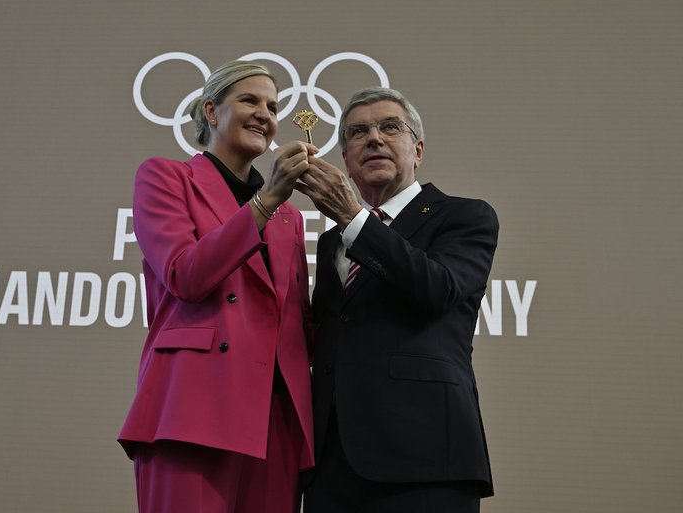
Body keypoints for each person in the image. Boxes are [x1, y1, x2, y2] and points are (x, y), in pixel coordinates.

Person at [118, 60, 317, 513]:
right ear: (211, 111)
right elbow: (186, 274)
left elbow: (299, 322)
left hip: (276, 423)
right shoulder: (166, 177)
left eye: (273, 105)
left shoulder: (291, 217)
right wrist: (266, 201)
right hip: (194, 410)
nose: (265, 114)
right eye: (249, 100)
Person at [295, 87, 498, 513]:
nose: (373, 138)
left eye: (390, 127)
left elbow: (437, 287)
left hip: (423, 460)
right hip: (331, 466)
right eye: (357, 132)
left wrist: (354, 217)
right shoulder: (333, 239)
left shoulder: (464, 216)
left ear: (418, 150)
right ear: (346, 160)